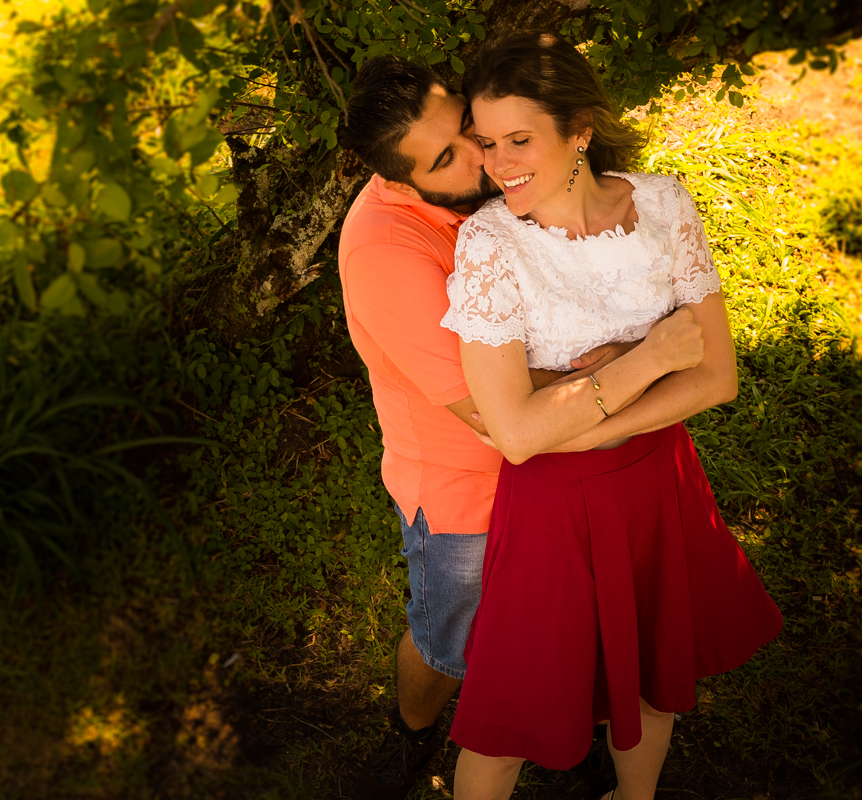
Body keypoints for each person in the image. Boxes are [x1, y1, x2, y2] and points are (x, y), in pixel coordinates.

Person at [336, 58, 700, 799]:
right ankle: (412, 736)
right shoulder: (386, 252)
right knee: (453, 645)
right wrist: (644, 355)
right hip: (471, 490)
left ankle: (592, 735)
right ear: (403, 181)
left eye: (468, 133)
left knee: (584, 626)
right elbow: (502, 412)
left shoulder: (502, 186)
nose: (481, 158)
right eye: (447, 159)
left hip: (567, 469)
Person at [439, 33, 785, 800]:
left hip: (658, 482)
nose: (499, 164)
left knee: (654, 680)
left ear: (580, 130)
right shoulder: (490, 245)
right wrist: (650, 358)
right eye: (487, 143)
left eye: (520, 139)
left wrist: (568, 415)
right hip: (552, 508)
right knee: (507, 713)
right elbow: (521, 438)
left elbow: (719, 377)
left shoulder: (664, 204)